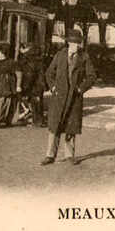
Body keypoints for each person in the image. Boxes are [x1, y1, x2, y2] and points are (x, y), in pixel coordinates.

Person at [41, 29, 96, 166]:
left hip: (74, 97)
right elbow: (49, 73)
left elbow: (92, 76)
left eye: (78, 43)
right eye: (73, 43)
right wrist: (53, 87)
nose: (75, 46)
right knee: (55, 126)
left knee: (71, 127)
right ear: (68, 43)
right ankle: (50, 155)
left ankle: (69, 155)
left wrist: (80, 89)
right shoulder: (60, 55)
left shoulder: (84, 57)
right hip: (59, 97)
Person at [17, 43, 47, 127]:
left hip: (34, 85)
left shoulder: (30, 60)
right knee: (38, 102)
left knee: (35, 103)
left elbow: (30, 75)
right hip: (39, 84)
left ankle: (37, 121)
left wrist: (25, 86)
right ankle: (39, 120)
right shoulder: (39, 59)